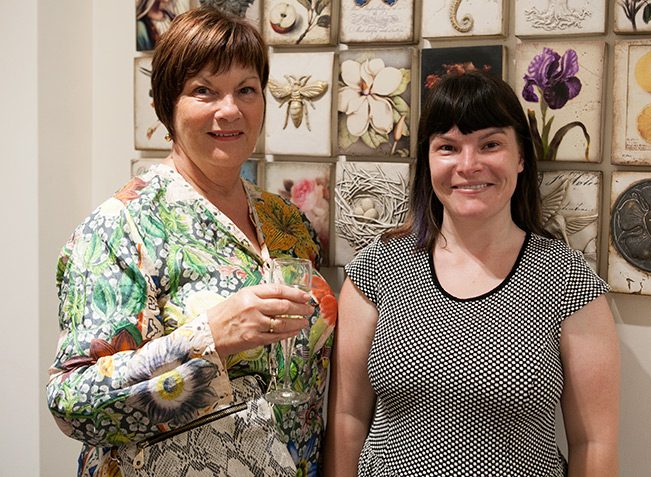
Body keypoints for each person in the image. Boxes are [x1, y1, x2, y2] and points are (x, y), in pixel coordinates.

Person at [47, 6, 336, 476]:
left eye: (246, 89)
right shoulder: (121, 226)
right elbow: (72, 403)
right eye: (204, 91)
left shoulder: (288, 222)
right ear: (167, 105)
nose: (231, 109)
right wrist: (208, 339)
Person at [324, 71, 619, 476]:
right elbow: (347, 417)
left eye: (490, 144)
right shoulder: (378, 267)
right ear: (428, 161)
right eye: (448, 147)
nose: (468, 165)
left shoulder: (567, 278)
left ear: (519, 157)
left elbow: (594, 443)